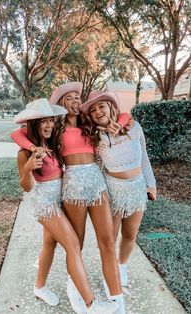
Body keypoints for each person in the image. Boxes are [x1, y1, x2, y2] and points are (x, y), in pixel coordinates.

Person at [11, 83, 130, 314]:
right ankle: (79, 294)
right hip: (67, 190)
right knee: (75, 244)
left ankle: (116, 301)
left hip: (94, 184)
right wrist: (30, 156)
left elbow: (123, 114)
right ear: (61, 105)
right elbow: (17, 133)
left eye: (78, 97)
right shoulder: (54, 131)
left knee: (92, 242)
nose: (76, 100)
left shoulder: (88, 123)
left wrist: (120, 125)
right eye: (70, 98)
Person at [80, 90, 157, 290]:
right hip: (112, 190)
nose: (98, 111)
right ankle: (111, 274)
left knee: (130, 234)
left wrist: (152, 184)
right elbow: (96, 165)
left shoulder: (134, 127)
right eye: (93, 110)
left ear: (111, 107)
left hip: (137, 188)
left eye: (101, 106)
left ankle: (121, 266)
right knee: (109, 238)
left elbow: (144, 158)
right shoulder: (95, 137)